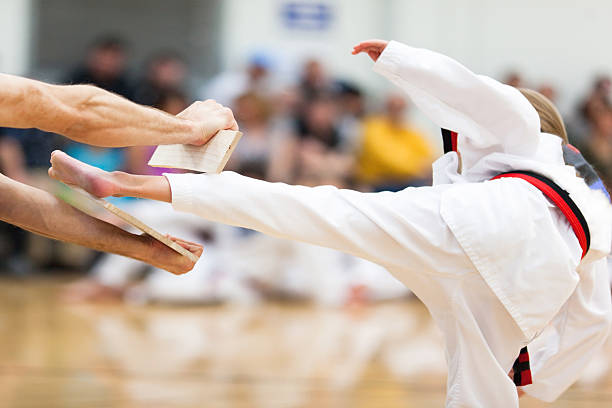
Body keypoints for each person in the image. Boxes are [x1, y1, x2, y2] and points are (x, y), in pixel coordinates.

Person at [47, 40, 612, 407]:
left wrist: (398, 59)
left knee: (311, 208)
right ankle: (135, 187)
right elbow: (598, 305)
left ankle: (133, 184)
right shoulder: (590, 184)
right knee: (485, 386)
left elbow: (486, 98)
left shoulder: (529, 132)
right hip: (537, 276)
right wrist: (544, 369)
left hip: (488, 220)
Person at [0, 72, 237, 275]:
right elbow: (75, 109)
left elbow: (11, 203)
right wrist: (192, 128)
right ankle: (118, 182)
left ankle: (117, 182)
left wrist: (143, 249)